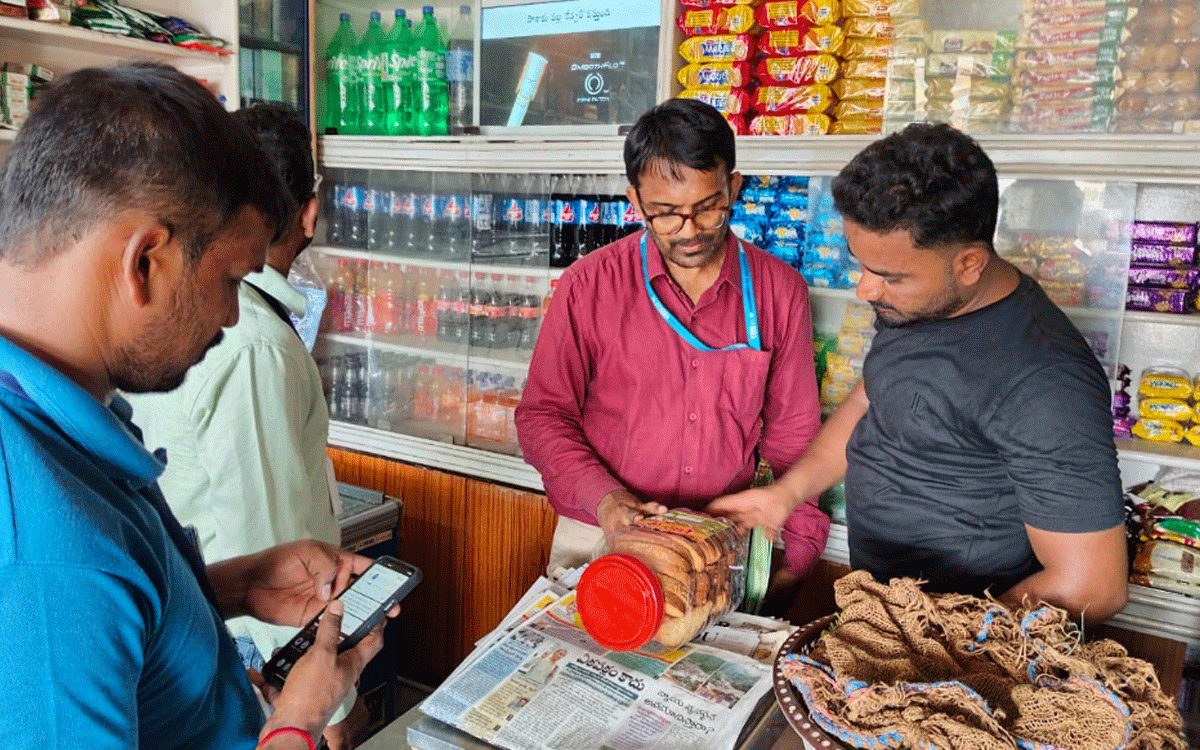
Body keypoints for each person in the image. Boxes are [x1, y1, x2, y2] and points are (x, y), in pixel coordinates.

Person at [0, 62, 390, 749]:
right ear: (145, 261)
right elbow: (75, 597)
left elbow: (113, 632)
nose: (235, 316)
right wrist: (296, 724)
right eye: (231, 279)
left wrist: (231, 586)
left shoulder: (56, 422)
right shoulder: (46, 548)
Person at [710, 123, 1128, 623]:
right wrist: (786, 494)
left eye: (888, 276)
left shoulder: (1044, 380)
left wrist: (934, 639)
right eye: (860, 264)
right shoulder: (919, 301)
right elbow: (872, 398)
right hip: (880, 601)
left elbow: (1093, 586)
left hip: (960, 644)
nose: (865, 289)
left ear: (969, 263)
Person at [514, 99, 827, 607]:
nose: (689, 229)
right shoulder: (588, 285)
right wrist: (605, 498)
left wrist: (794, 551)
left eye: (708, 206)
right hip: (601, 531)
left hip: (722, 543)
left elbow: (794, 433)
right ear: (635, 202)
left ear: (735, 187)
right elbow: (542, 417)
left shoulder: (778, 290)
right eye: (665, 213)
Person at [126, 103, 360, 748]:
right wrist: (319, 715)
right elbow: (265, 519)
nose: (228, 313)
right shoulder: (256, 344)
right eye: (229, 279)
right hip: (248, 667)